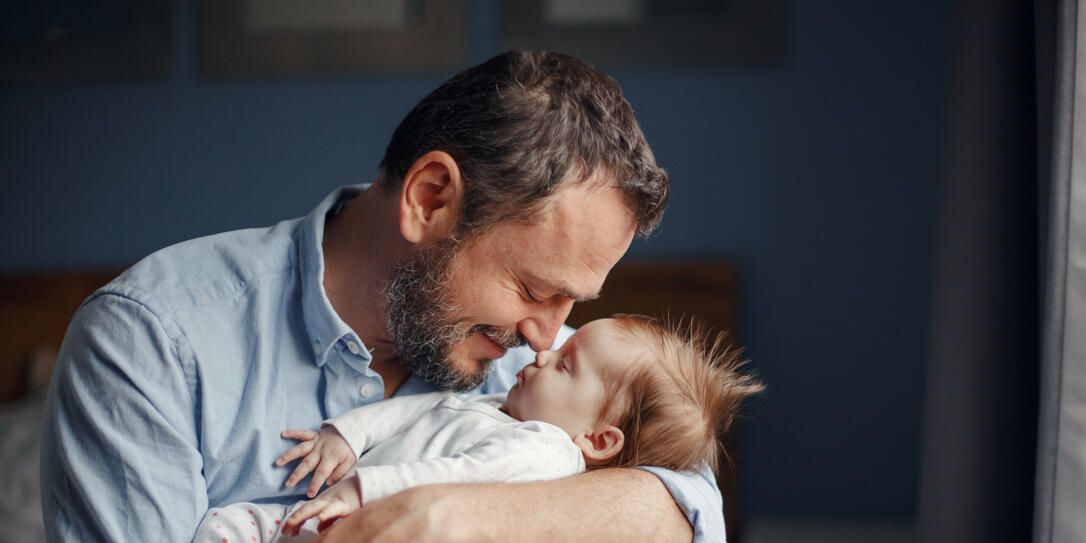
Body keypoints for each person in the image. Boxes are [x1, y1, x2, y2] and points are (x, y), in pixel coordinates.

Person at [40, 50, 723, 542]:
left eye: (571, 303)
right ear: (430, 199)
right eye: (534, 289)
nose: (548, 337)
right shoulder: (150, 343)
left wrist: (466, 517)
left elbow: (689, 511)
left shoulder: (541, 380)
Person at [192, 316, 763, 542]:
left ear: (598, 439)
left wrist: (360, 489)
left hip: (370, 517)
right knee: (228, 526)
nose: (541, 349)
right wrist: (347, 435)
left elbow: (450, 481)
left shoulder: (543, 455)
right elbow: (409, 412)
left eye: (564, 364)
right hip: (344, 508)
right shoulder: (500, 402)